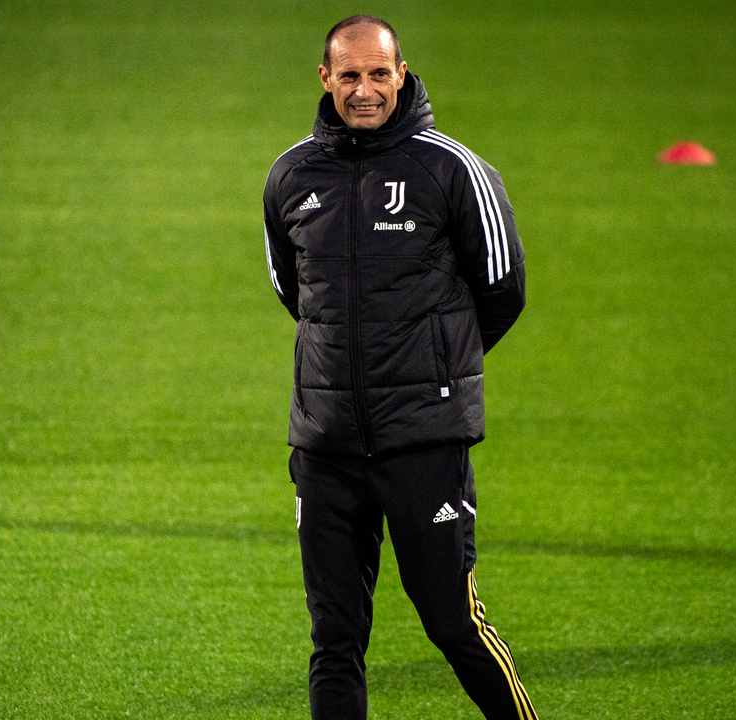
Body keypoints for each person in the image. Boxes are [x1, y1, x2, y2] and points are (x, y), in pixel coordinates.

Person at [262, 15, 538, 720]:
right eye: (350, 75)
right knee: (335, 641)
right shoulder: (291, 176)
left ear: (402, 74)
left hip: (423, 441)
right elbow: (296, 292)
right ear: (325, 78)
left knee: (453, 623)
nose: (365, 90)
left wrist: (433, 368)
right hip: (326, 445)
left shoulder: (452, 169)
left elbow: (502, 289)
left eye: (379, 74)